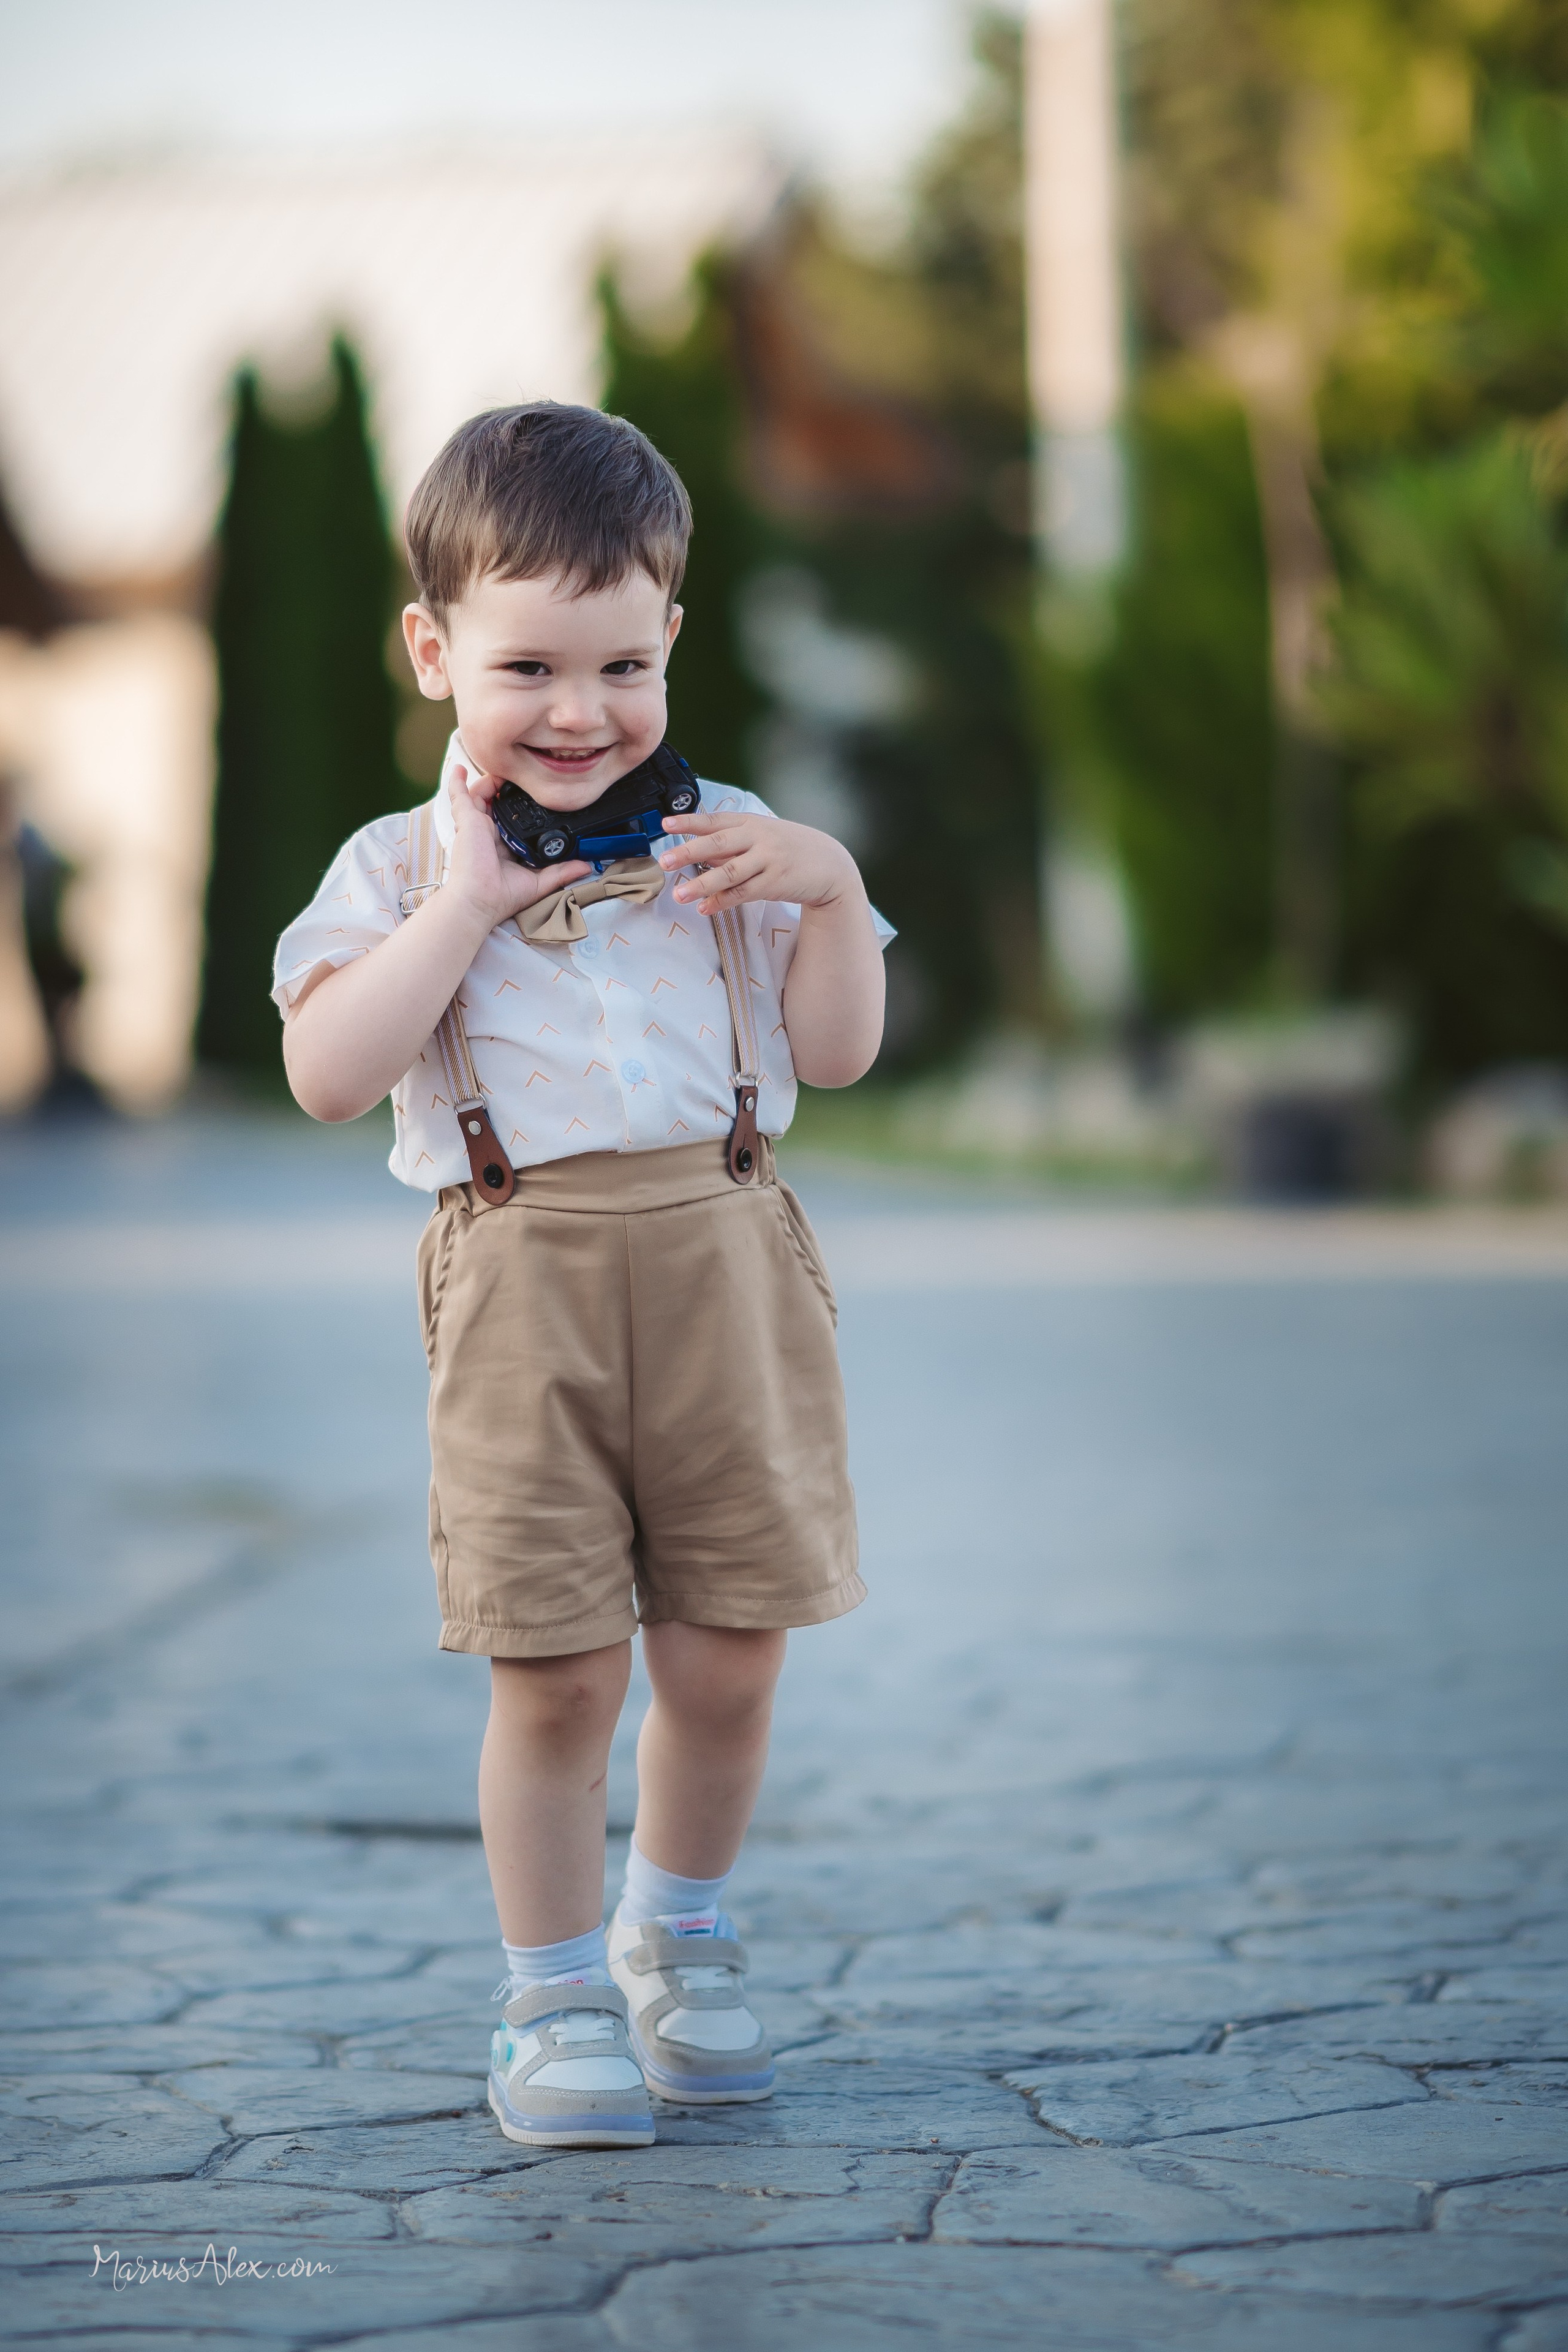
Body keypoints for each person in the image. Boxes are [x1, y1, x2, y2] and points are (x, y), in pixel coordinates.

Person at [273, 401, 891, 2149]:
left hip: (728, 1261)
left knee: (729, 1650)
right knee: (553, 1667)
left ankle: (676, 1936)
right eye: (527, 665)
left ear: (672, 642)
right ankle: (548, 1997)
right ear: (433, 648)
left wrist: (833, 896)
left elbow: (835, 1060)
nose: (578, 712)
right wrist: (459, 913)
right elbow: (327, 1074)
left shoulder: (741, 837)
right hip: (521, 1278)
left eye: (622, 665)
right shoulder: (396, 872)